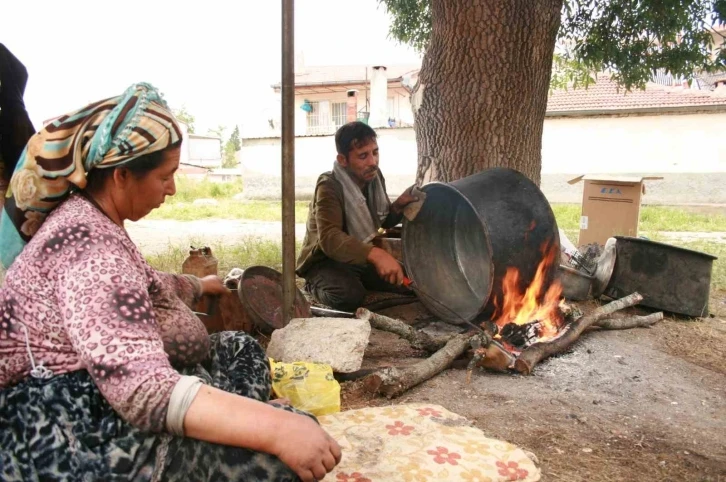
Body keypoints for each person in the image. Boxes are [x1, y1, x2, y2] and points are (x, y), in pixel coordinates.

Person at [0, 83, 341, 482]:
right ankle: (233, 426)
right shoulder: (88, 248)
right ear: (122, 174)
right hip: (75, 429)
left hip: (106, 395)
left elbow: (144, 284)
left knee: (240, 348)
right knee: (284, 452)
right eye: (166, 175)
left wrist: (198, 285)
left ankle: (224, 417)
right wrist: (277, 429)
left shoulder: (92, 220)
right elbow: (143, 391)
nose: (172, 188)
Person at [296, 121, 419, 311]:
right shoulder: (329, 186)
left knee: (408, 279)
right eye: (363, 156)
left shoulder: (374, 178)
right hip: (323, 261)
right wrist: (376, 255)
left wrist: (399, 206)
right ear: (343, 160)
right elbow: (329, 239)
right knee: (349, 297)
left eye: (375, 152)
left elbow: (381, 221)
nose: (372, 162)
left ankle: (356, 278)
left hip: (357, 259)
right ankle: (313, 284)